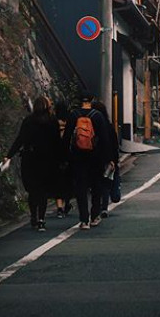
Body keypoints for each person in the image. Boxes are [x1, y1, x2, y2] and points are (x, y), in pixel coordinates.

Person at [2, 96, 62, 231]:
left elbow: (20, 140)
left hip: (30, 159)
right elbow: (57, 142)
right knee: (43, 191)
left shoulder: (29, 121)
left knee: (33, 190)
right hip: (47, 160)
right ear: (48, 106)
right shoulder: (52, 121)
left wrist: (9, 155)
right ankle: (41, 219)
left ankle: (33, 217)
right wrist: (60, 160)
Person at [64, 94, 113, 230]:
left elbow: (67, 137)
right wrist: (108, 159)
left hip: (78, 157)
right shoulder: (97, 116)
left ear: (80, 101)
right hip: (95, 157)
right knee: (96, 186)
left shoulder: (74, 115)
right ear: (91, 101)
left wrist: (66, 157)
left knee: (81, 188)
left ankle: (84, 220)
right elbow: (104, 139)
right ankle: (95, 216)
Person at [91, 101, 119, 219]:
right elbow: (114, 144)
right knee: (106, 183)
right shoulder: (108, 126)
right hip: (107, 158)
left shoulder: (91, 125)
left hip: (93, 158)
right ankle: (104, 208)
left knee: (95, 183)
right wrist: (114, 160)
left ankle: (95, 209)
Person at [53, 102, 73, 218]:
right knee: (68, 181)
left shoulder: (52, 122)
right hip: (69, 156)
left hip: (56, 155)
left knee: (57, 182)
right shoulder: (70, 121)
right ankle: (67, 203)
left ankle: (59, 207)